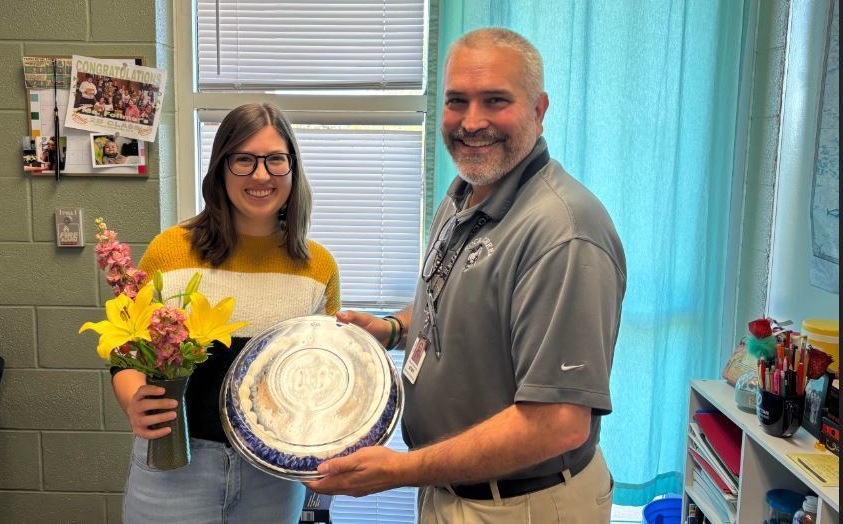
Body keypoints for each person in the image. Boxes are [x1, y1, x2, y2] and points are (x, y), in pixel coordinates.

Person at [306, 27, 626, 524]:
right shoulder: (467, 191)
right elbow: (455, 300)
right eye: (457, 101)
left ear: (539, 111)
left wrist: (402, 470)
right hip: (454, 491)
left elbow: (556, 425)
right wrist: (391, 328)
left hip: (522, 505)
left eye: (495, 100)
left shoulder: (564, 233)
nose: (471, 122)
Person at [112, 102, 340, 523]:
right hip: (174, 464)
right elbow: (124, 352)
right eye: (244, 160)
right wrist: (133, 402)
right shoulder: (169, 251)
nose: (260, 175)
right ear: (221, 168)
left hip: (272, 475)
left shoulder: (317, 267)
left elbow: (317, 377)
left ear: (292, 168)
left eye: (275, 160)